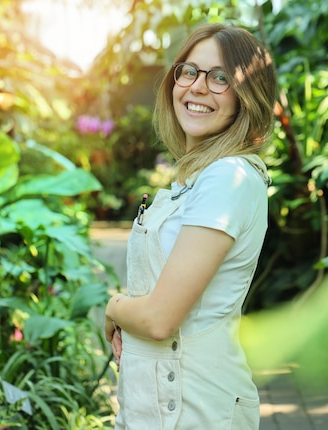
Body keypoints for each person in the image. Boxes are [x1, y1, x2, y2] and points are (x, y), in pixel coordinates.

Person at [104, 22, 277, 430]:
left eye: (221, 78)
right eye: (189, 71)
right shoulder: (197, 177)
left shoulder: (228, 178)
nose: (198, 87)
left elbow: (161, 318)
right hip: (159, 404)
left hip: (194, 408)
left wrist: (114, 308)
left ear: (246, 97)